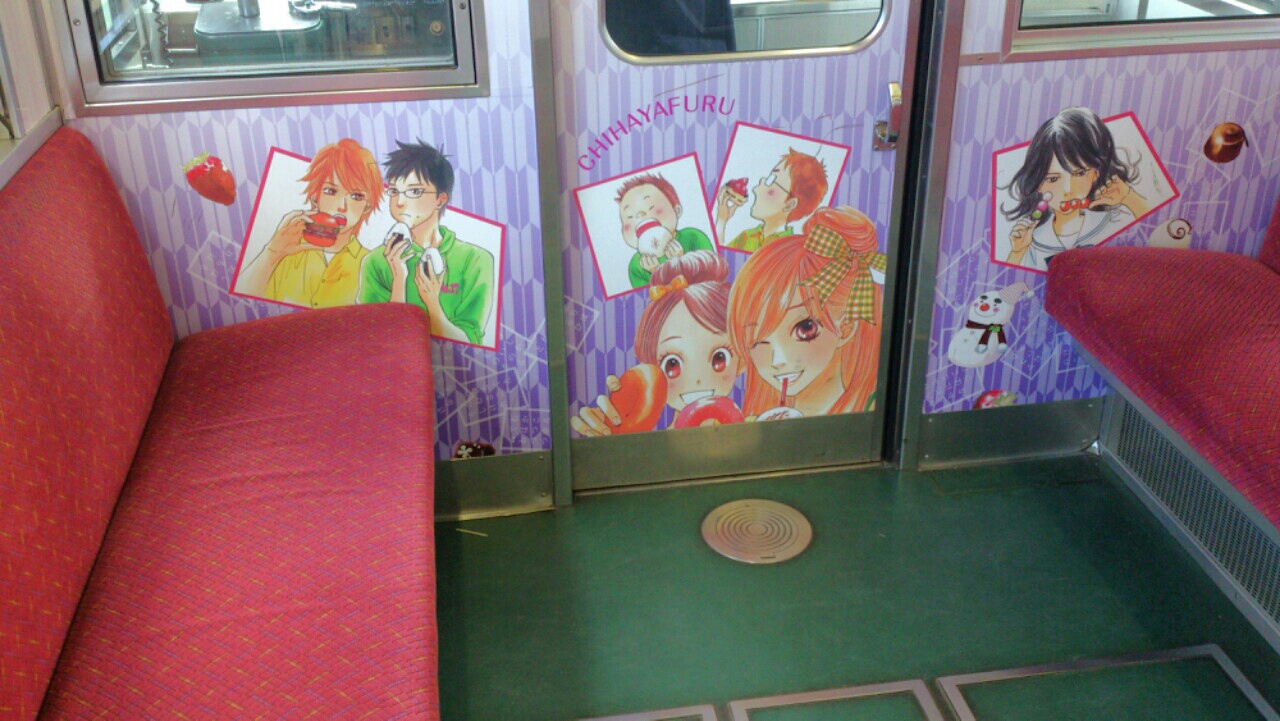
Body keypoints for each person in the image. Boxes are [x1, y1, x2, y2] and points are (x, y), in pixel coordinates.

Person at [728, 206, 885, 418]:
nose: (778, 360)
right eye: (756, 340)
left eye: (805, 329)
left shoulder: (874, 413)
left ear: (846, 327)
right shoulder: (755, 420)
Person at [571, 251, 741, 436]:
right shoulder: (650, 445)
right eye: (672, 364)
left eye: (719, 358)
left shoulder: (753, 425)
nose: (698, 379)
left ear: (742, 360)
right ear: (652, 369)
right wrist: (610, 435)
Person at [357, 139, 494, 346]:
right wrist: (399, 281)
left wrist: (432, 303)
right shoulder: (375, 262)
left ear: (440, 199)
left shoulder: (475, 260)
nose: (399, 202)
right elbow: (377, 339)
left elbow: (472, 342)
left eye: (414, 191)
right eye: (394, 191)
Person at [237, 139, 383, 308]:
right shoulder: (287, 253)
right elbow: (243, 304)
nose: (342, 206)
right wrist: (272, 253)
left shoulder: (373, 264)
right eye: (331, 191)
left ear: (367, 206)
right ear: (315, 196)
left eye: (356, 196)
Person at [1002, 107, 1151, 272]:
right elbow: (1011, 283)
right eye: (1053, 179)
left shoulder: (1115, 220)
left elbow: (1156, 242)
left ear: (1096, 173)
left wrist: (1130, 198)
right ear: (1038, 184)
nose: (1068, 190)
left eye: (1079, 173)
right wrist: (1017, 253)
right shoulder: (1031, 241)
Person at [716, 149, 827, 254]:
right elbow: (718, 261)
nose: (755, 189)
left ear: (789, 204)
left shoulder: (789, 249)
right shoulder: (746, 236)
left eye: (770, 184)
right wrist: (722, 220)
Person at [616, 173, 714, 289]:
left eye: (651, 207)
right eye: (629, 217)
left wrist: (681, 263)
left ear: (676, 211)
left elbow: (713, 278)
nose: (640, 215)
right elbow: (649, 298)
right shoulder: (636, 266)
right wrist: (656, 273)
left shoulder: (694, 237)